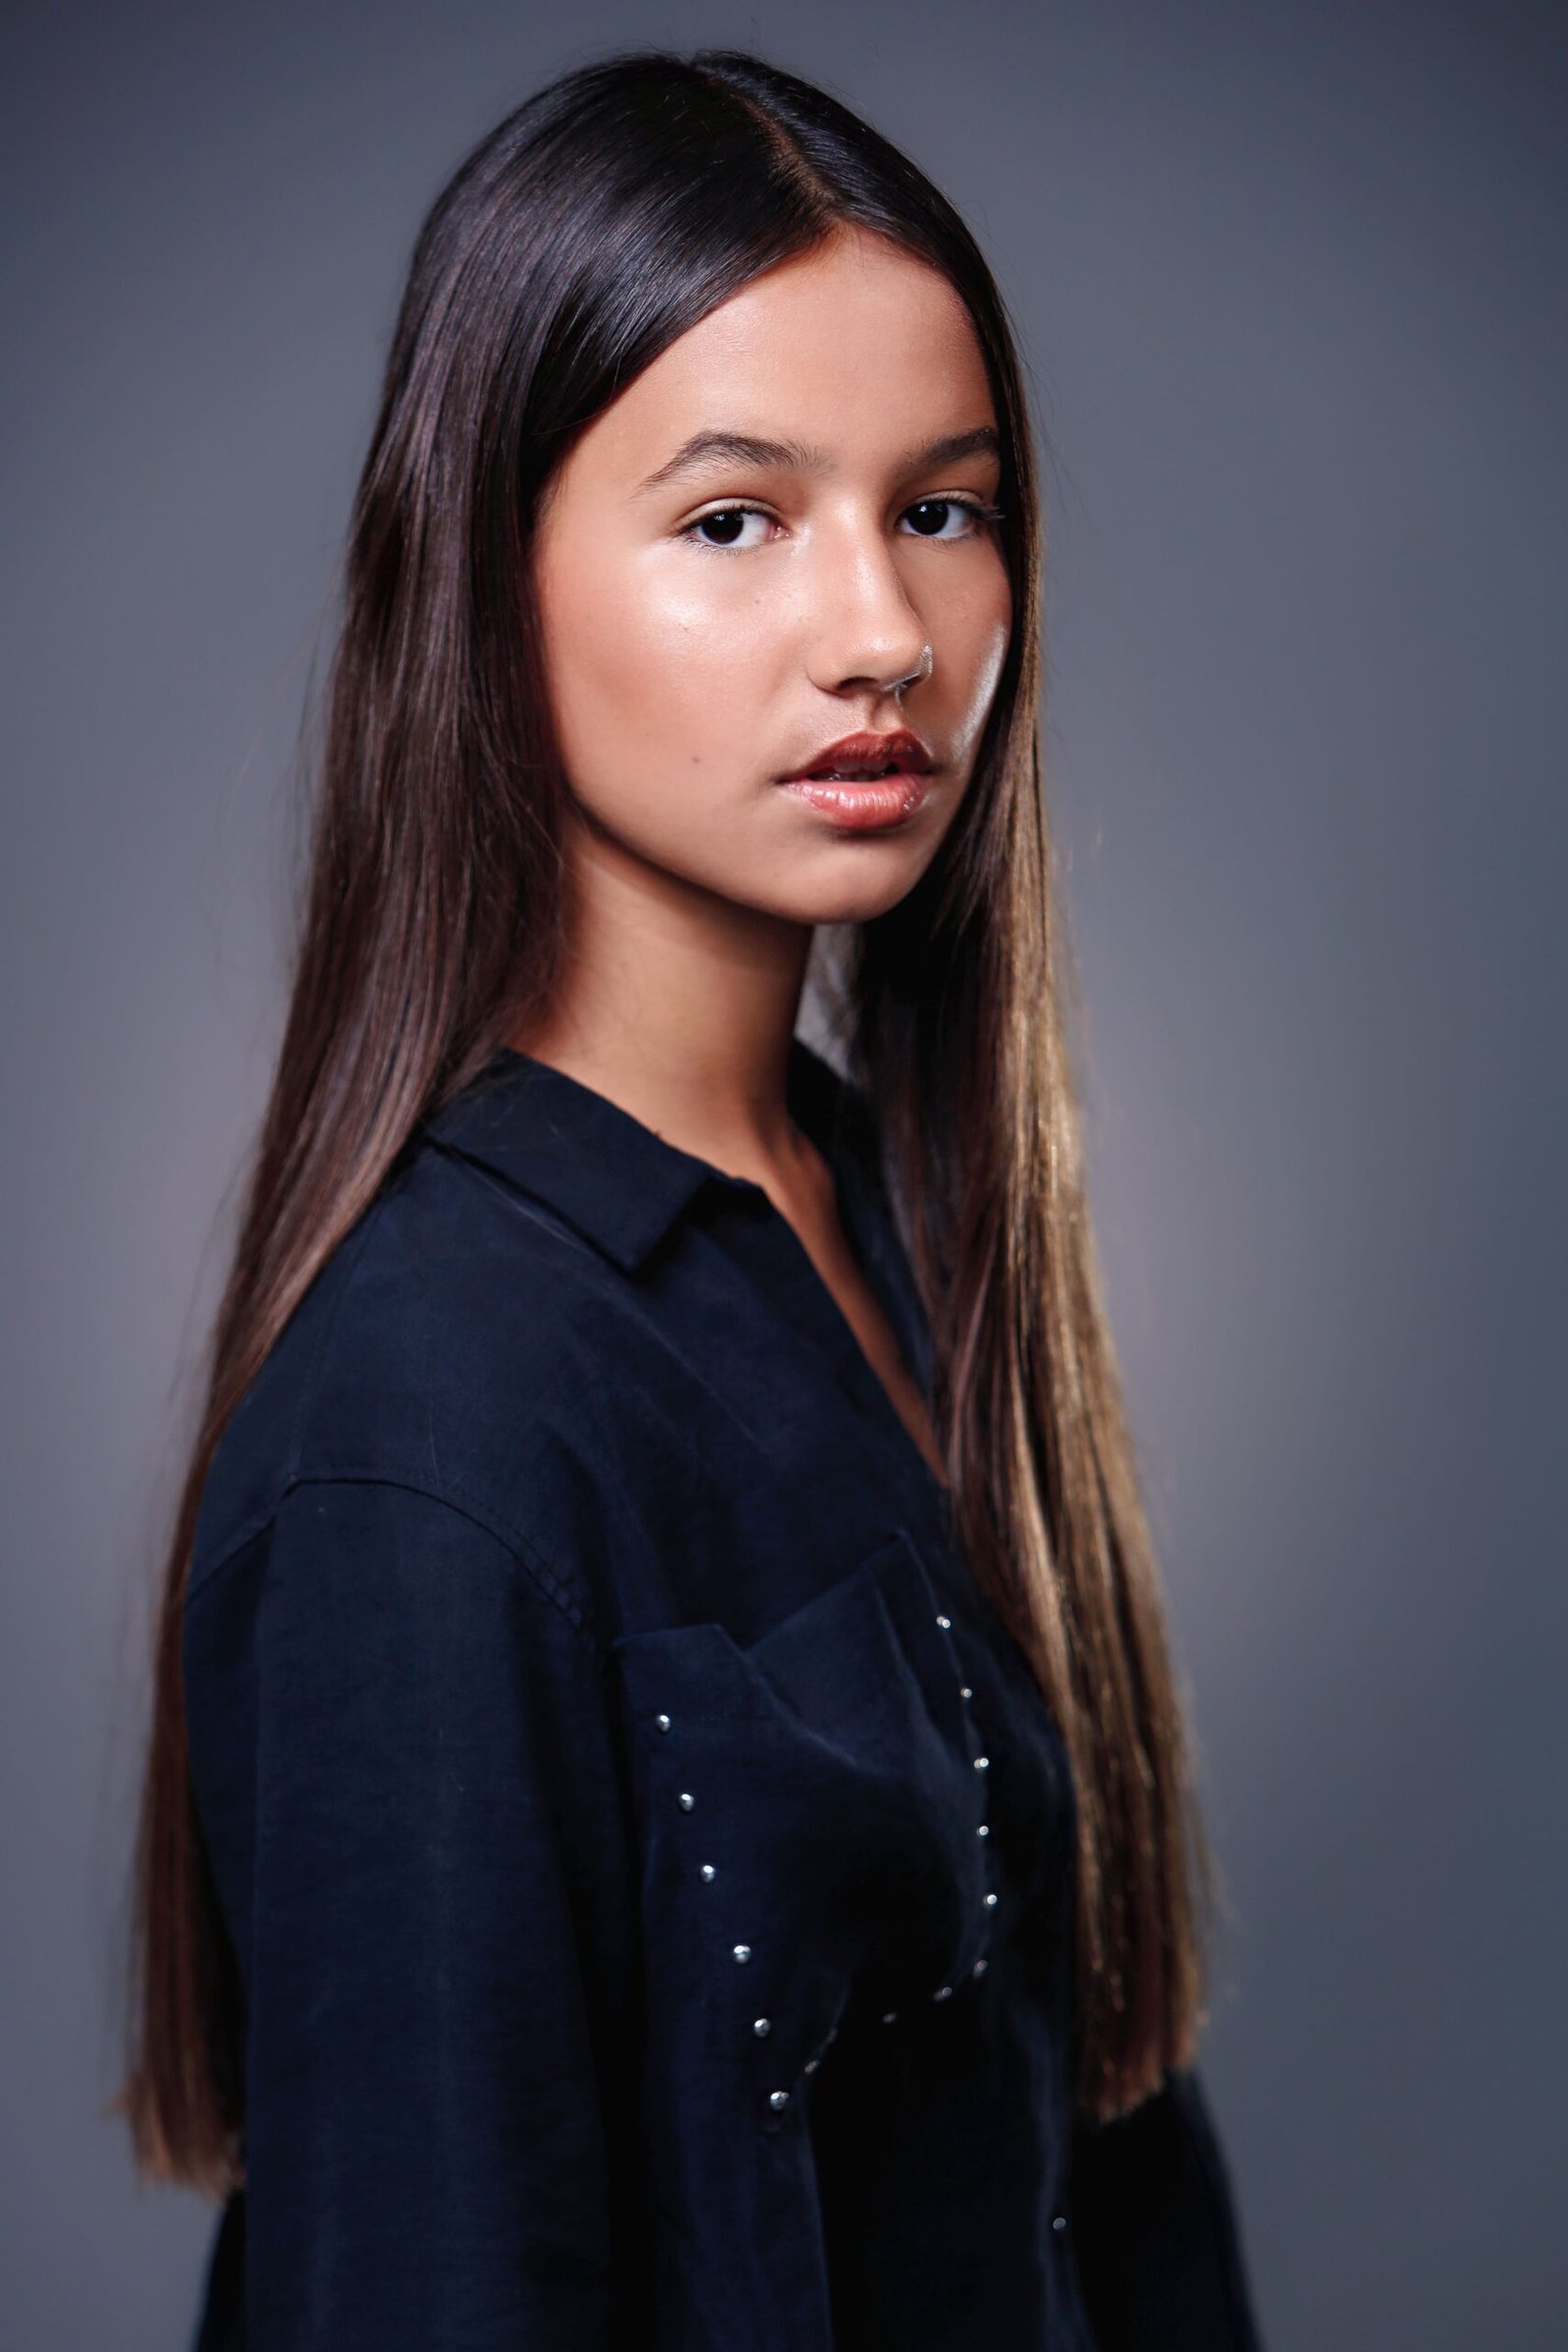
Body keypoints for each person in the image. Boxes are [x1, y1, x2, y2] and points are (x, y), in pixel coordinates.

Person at [115, 45, 1266, 2350]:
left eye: (942, 509)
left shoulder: (889, 1218)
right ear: (484, 572)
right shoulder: (428, 1435)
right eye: (735, 519)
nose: (882, 633)